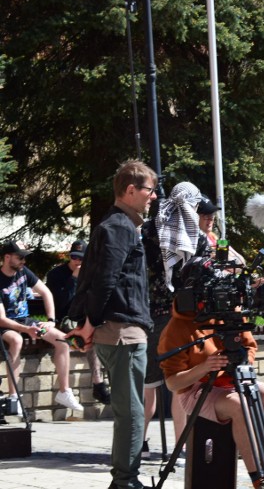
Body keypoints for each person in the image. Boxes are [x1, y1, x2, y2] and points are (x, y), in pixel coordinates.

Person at [66, 159, 157, 489]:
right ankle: (125, 481)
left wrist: (88, 323)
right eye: (149, 190)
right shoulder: (119, 227)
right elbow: (105, 280)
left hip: (117, 331)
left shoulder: (116, 224)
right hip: (122, 333)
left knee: (127, 410)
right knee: (132, 412)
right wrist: (89, 324)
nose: (154, 196)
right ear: (131, 190)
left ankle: (124, 479)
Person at [158, 300, 264, 488]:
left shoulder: (232, 314)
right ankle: (259, 480)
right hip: (196, 389)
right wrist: (205, 367)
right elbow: (172, 382)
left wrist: (243, 361)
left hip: (233, 380)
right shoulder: (178, 325)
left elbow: (250, 347)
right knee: (239, 406)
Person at [140, 181, 202, 460]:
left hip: (149, 314)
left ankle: (136, 442)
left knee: (147, 385)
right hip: (180, 317)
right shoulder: (194, 235)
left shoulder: (149, 228)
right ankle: (182, 444)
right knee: (179, 382)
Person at [0, 240, 84, 413]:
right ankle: (14, 397)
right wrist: (25, 330)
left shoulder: (24, 272)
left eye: (25, 257)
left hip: (26, 321)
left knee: (62, 340)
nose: (23, 261)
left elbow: (46, 292)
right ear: (7, 257)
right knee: (16, 340)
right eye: (20, 257)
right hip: (7, 324)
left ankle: (64, 392)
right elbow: (1, 319)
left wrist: (51, 320)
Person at [46, 239, 110, 405]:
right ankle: (98, 383)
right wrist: (74, 279)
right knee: (90, 336)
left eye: (81, 258)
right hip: (66, 320)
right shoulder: (56, 275)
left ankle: (101, 384)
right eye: (74, 257)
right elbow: (62, 304)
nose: (77, 261)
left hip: (85, 319)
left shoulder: (93, 274)